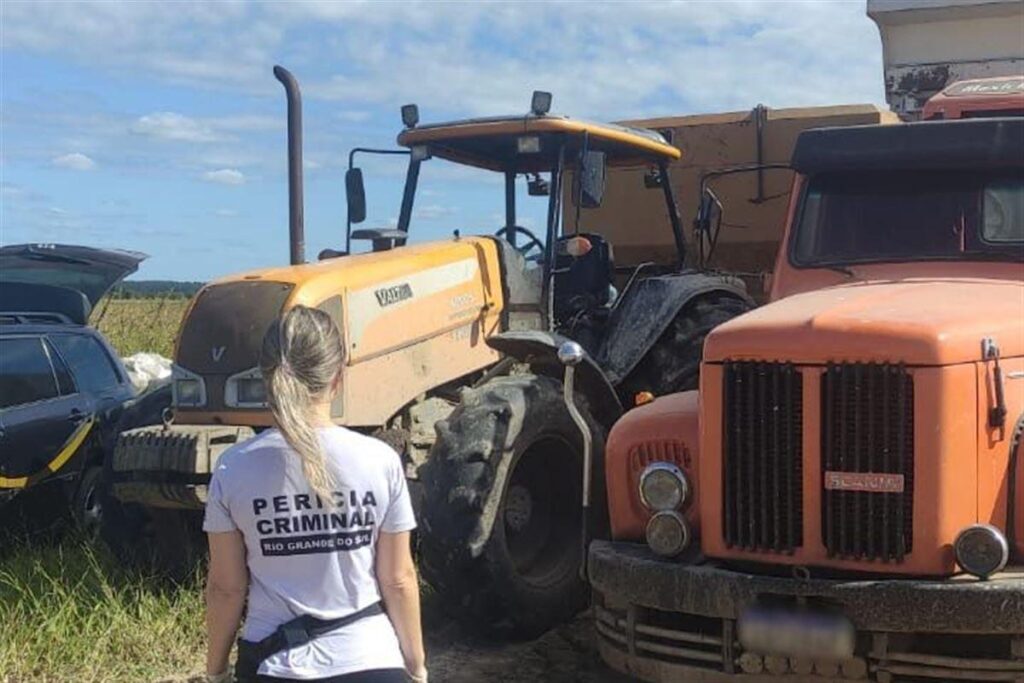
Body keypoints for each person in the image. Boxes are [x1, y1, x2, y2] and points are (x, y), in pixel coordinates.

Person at [202, 305, 427, 683]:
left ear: (265, 378)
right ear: (337, 378)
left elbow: (226, 587)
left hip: (273, 665)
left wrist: (216, 670)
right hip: (371, 662)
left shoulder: (232, 468)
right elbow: (399, 579)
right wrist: (416, 668)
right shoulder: (380, 461)